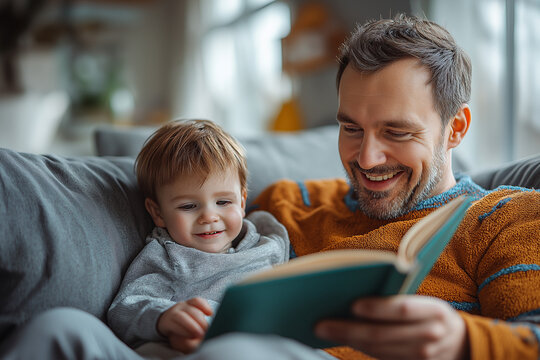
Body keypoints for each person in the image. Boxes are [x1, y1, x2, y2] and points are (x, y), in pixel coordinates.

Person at [1, 14, 538, 360]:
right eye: (350, 128)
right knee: (61, 331)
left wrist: (461, 342)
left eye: (396, 132)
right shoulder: (285, 204)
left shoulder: (507, 217)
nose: (367, 157)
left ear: (457, 128)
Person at [107, 119, 289, 354]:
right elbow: (124, 309)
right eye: (189, 206)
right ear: (158, 213)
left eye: (223, 202)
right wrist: (164, 318)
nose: (209, 217)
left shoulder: (267, 238)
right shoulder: (169, 257)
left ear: (242, 202)